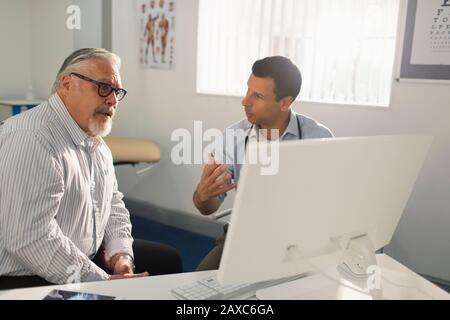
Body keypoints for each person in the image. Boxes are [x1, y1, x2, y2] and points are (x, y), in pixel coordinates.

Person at [0, 48, 182, 290]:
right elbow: (29, 238)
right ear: (67, 84)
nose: (113, 100)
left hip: (83, 258)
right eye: (104, 87)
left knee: (167, 261)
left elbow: (113, 205)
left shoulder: (95, 141)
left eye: (117, 92)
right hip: (27, 276)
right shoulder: (32, 137)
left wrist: (120, 257)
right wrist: (100, 282)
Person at [193, 56, 333, 271]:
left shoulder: (319, 137)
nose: (245, 101)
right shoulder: (233, 137)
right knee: (201, 283)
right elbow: (209, 205)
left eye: (257, 96)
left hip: (301, 241)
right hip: (245, 237)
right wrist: (203, 198)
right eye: (248, 90)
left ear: (285, 102)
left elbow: (327, 203)